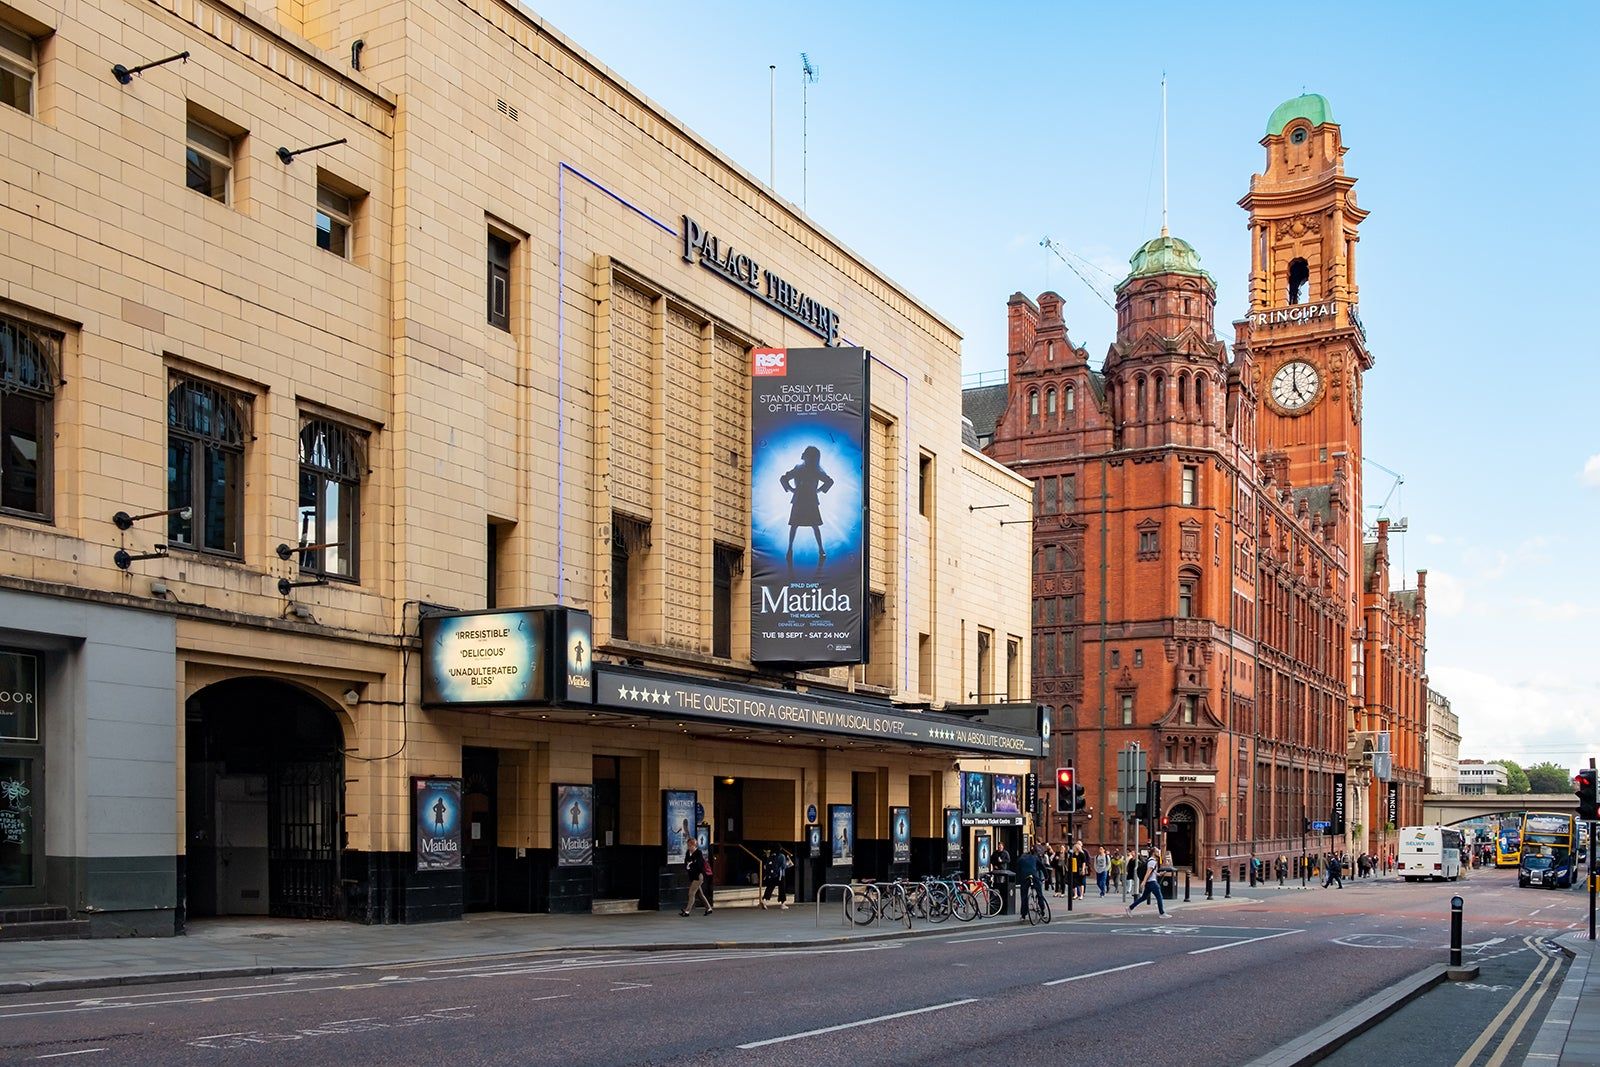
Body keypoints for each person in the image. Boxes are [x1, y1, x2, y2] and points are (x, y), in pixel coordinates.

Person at [780, 445, 833, 568]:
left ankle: (820, 549)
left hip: (809, 500)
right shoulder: (800, 469)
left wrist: (817, 491)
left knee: (813, 526)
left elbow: (829, 481)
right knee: (795, 526)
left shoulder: (815, 470)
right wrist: (791, 489)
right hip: (801, 500)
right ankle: (790, 549)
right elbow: (784, 478)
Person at [1127, 848, 1166, 916]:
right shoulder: (1152, 862)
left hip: (1149, 882)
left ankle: (1129, 908)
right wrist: (1143, 882)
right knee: (1159, 896)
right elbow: (1148, 872)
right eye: (1157, 852)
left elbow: (1152, 871)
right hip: (1152, 882)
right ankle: (1162, 913)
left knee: (1143, 897)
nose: (1159, 853)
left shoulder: (1151, 860)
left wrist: (1159, 874)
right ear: (1154, 853)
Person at [681, 839, 713, 916]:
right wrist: (688, 865)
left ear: (694, 845)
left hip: (698, 876)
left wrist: (690, 865)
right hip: (692, 876)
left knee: (691, 893)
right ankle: (709, 908)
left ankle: (687, 911)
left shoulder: (698, 853)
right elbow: (686, 862)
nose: (688, 847)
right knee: (700, 894)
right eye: (688, 845)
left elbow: (699, 865)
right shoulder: (688, 853)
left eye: (690, 845)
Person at [1015, 844, 1042, 922]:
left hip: (1024, 878)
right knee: (1039, 894)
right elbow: (1042, 867)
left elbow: (1018, 869)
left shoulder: (1021, 859)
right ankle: (1043, 911)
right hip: (1034, 876)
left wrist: (1018, 880)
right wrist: (1046, 877)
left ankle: (1023, 915)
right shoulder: (1035, 858)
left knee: (1024, 896)